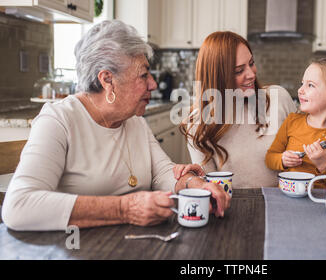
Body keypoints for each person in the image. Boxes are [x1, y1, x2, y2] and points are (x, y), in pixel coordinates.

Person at [1, 20, 230, 231]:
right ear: (107, 80)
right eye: (143, 75)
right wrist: (125, 209)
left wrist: (194, 184)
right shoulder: (58, 120)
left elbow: (162, 173)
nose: (152, 84)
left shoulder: (133, 121)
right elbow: (18, 206)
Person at [175, 31, 297, 188]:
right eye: (239, 71)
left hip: (284, 201)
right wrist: (193, 179)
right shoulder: (198, 124)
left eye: (251, 63)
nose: (251, 74)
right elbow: (210, 189)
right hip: (233, 206)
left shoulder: (278, 98)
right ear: (218, 77)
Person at [265, 58, 326, 180]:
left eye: (310, 85)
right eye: (302, 84)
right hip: (288, 194)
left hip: (323, 197)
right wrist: (282, 159)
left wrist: (323, 164)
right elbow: (270, 158)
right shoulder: (292, 121)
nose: (300, 90)